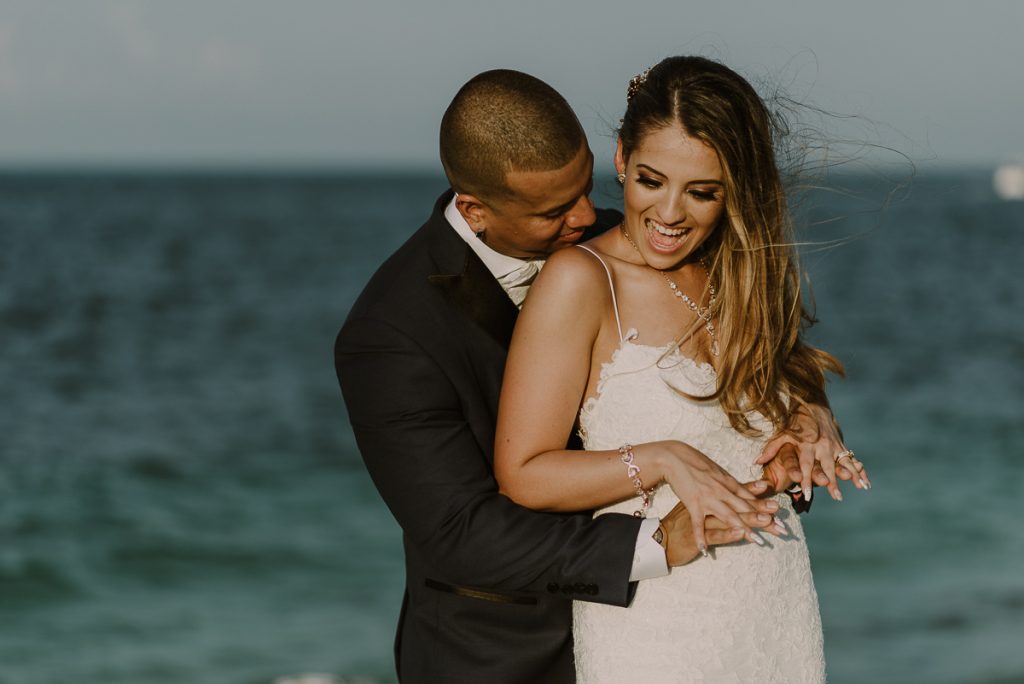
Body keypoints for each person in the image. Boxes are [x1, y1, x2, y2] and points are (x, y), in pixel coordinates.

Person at [335, 68, 857, 684]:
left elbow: (770, 366)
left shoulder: (647, 235)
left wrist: (807, 416)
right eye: (555, 210)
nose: (587, 215)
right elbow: (460, 530)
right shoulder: (391, 332)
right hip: (508, 653)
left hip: (752, 611)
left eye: (587, 186)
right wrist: (658, 539)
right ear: (474, 210)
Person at [494, 56, 870, 683]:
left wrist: (811, 426)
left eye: (702, 192)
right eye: (650, 180)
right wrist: (664, 457)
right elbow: (525, 473)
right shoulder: (581, 282)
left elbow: (786, 381)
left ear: (736, 191)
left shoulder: (740, 272)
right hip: (656, 628)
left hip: (774, 606)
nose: (670, 214)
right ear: (620, 158)